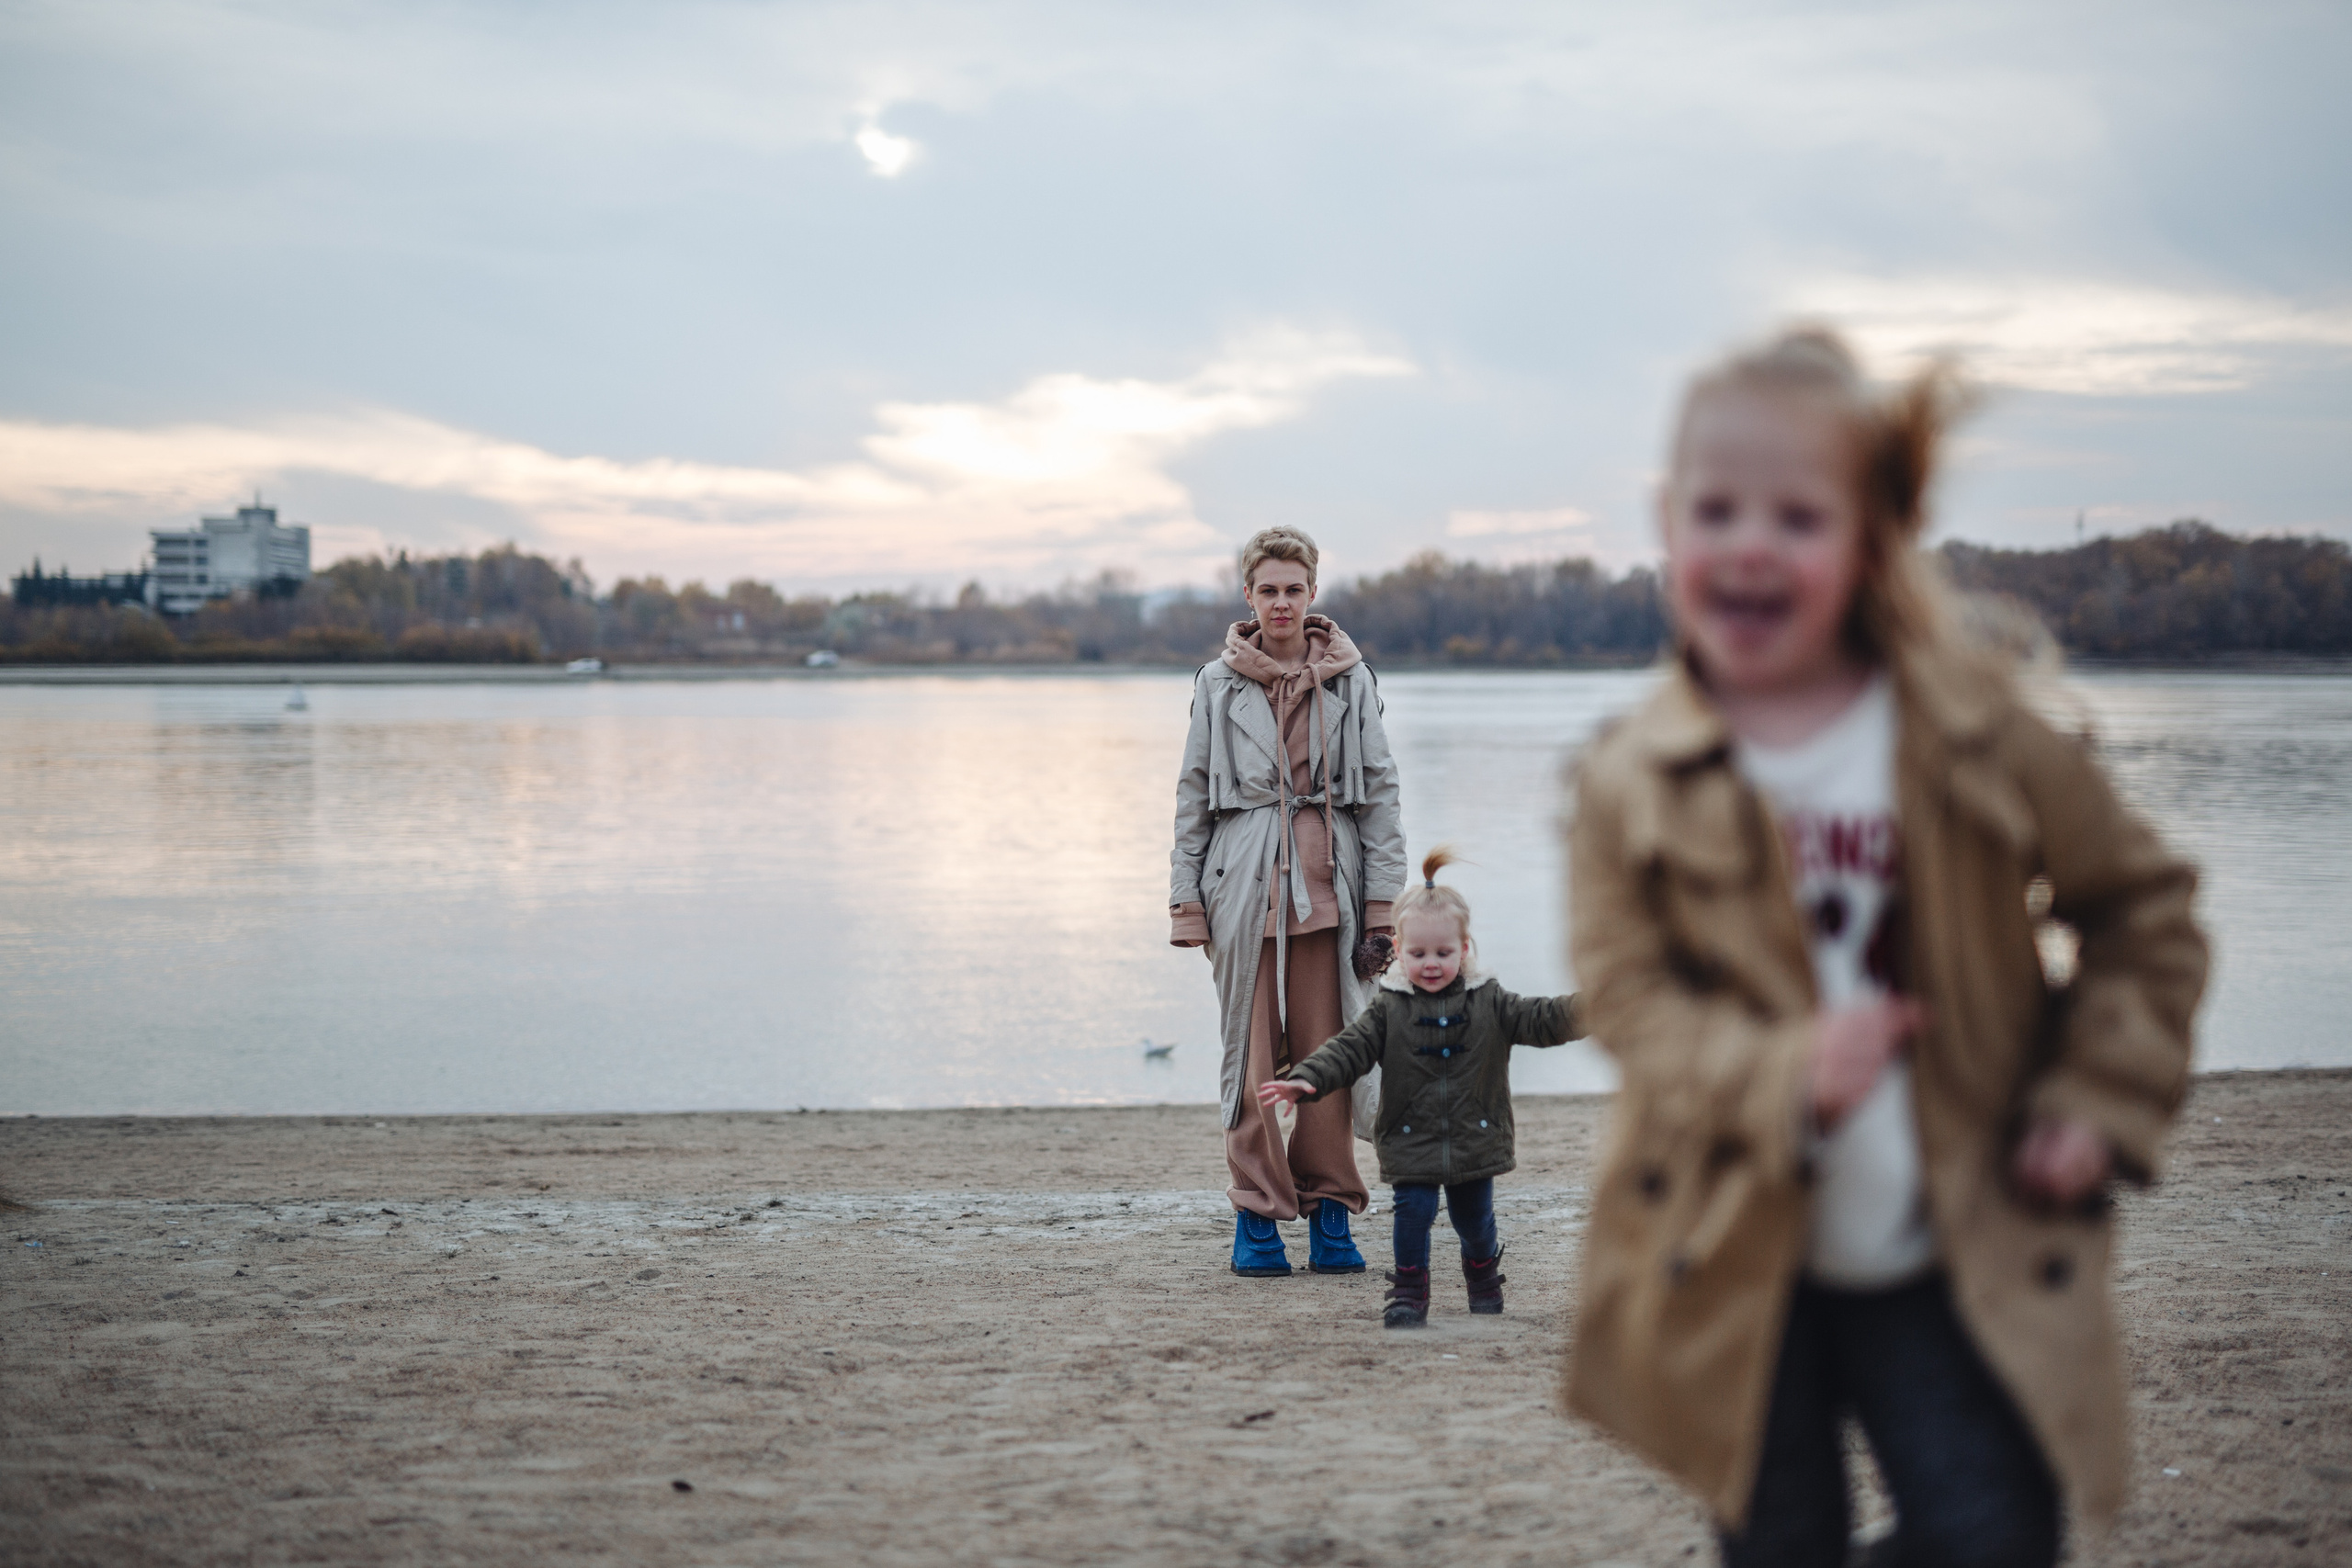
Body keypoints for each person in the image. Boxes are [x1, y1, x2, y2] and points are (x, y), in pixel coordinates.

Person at [1561, 327, 2207, 1567]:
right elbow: (1626, 996)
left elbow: (2145, 913)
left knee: (1994, 1532)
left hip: (1945, 1241)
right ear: (1667, 526)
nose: (1751, 543)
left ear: (1872, 540)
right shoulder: (1628, 776)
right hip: (1736, 1249)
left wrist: (2097, 1095)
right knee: (1780, 1542)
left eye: (1798, 517)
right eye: (1717, 510)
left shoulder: (1978, 736)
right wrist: (1780, 1069)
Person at [1170, 525, 1408, 1278]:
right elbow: (1192, 797)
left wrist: (1383, 909)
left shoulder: (1352, 679)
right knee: (1249, 1060)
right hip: (1241, 888)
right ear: (1248, 595)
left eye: (1293, 589)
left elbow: (1382, 797)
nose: (1281, 602)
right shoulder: (1216, 683)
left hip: (1332, 890)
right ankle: (1258, 1214)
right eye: (1267, 589)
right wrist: (1186, 901)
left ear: (1313, 594)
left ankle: (1331, 1209)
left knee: (1329, 1057)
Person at [1258, 849, 1584, 1326]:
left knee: (1475, 1221)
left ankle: (1482, 1274)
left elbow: (1543, 1019)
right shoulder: (1390, 1008)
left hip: (1475, 1136)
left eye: (1443, 953)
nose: (1431, 964)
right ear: (1399, 950)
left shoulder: (1489, 1001)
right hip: (1410, 1137)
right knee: (1412, 1216)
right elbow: (1348, 1049)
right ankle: (1409, 1292)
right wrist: (1307, 1078)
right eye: (1418, 954)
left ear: (1464, 949)